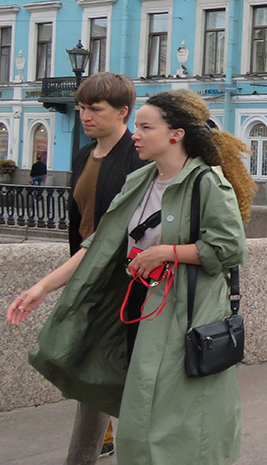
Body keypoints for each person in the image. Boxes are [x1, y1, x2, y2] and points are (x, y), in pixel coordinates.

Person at [8, 89, 254, 464]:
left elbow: (229, 249)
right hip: (141, 307)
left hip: (186, 313)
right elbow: (100, 243)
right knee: (142, 410)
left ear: (176, 134)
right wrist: (42, 287)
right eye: (136, 126)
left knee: (175, 413)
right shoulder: (140, 181)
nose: (135, 134)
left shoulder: (206, 183)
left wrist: (165, 252)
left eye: (145, 127)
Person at [58, 73, 146, 462]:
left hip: (126, 280)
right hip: (87, 273)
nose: (84, 116)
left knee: (114, 371)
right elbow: (80, 222)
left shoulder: (137, 154)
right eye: (81, 108)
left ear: (123, 111)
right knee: (89, 371)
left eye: (94, 109)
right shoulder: (82, 155)